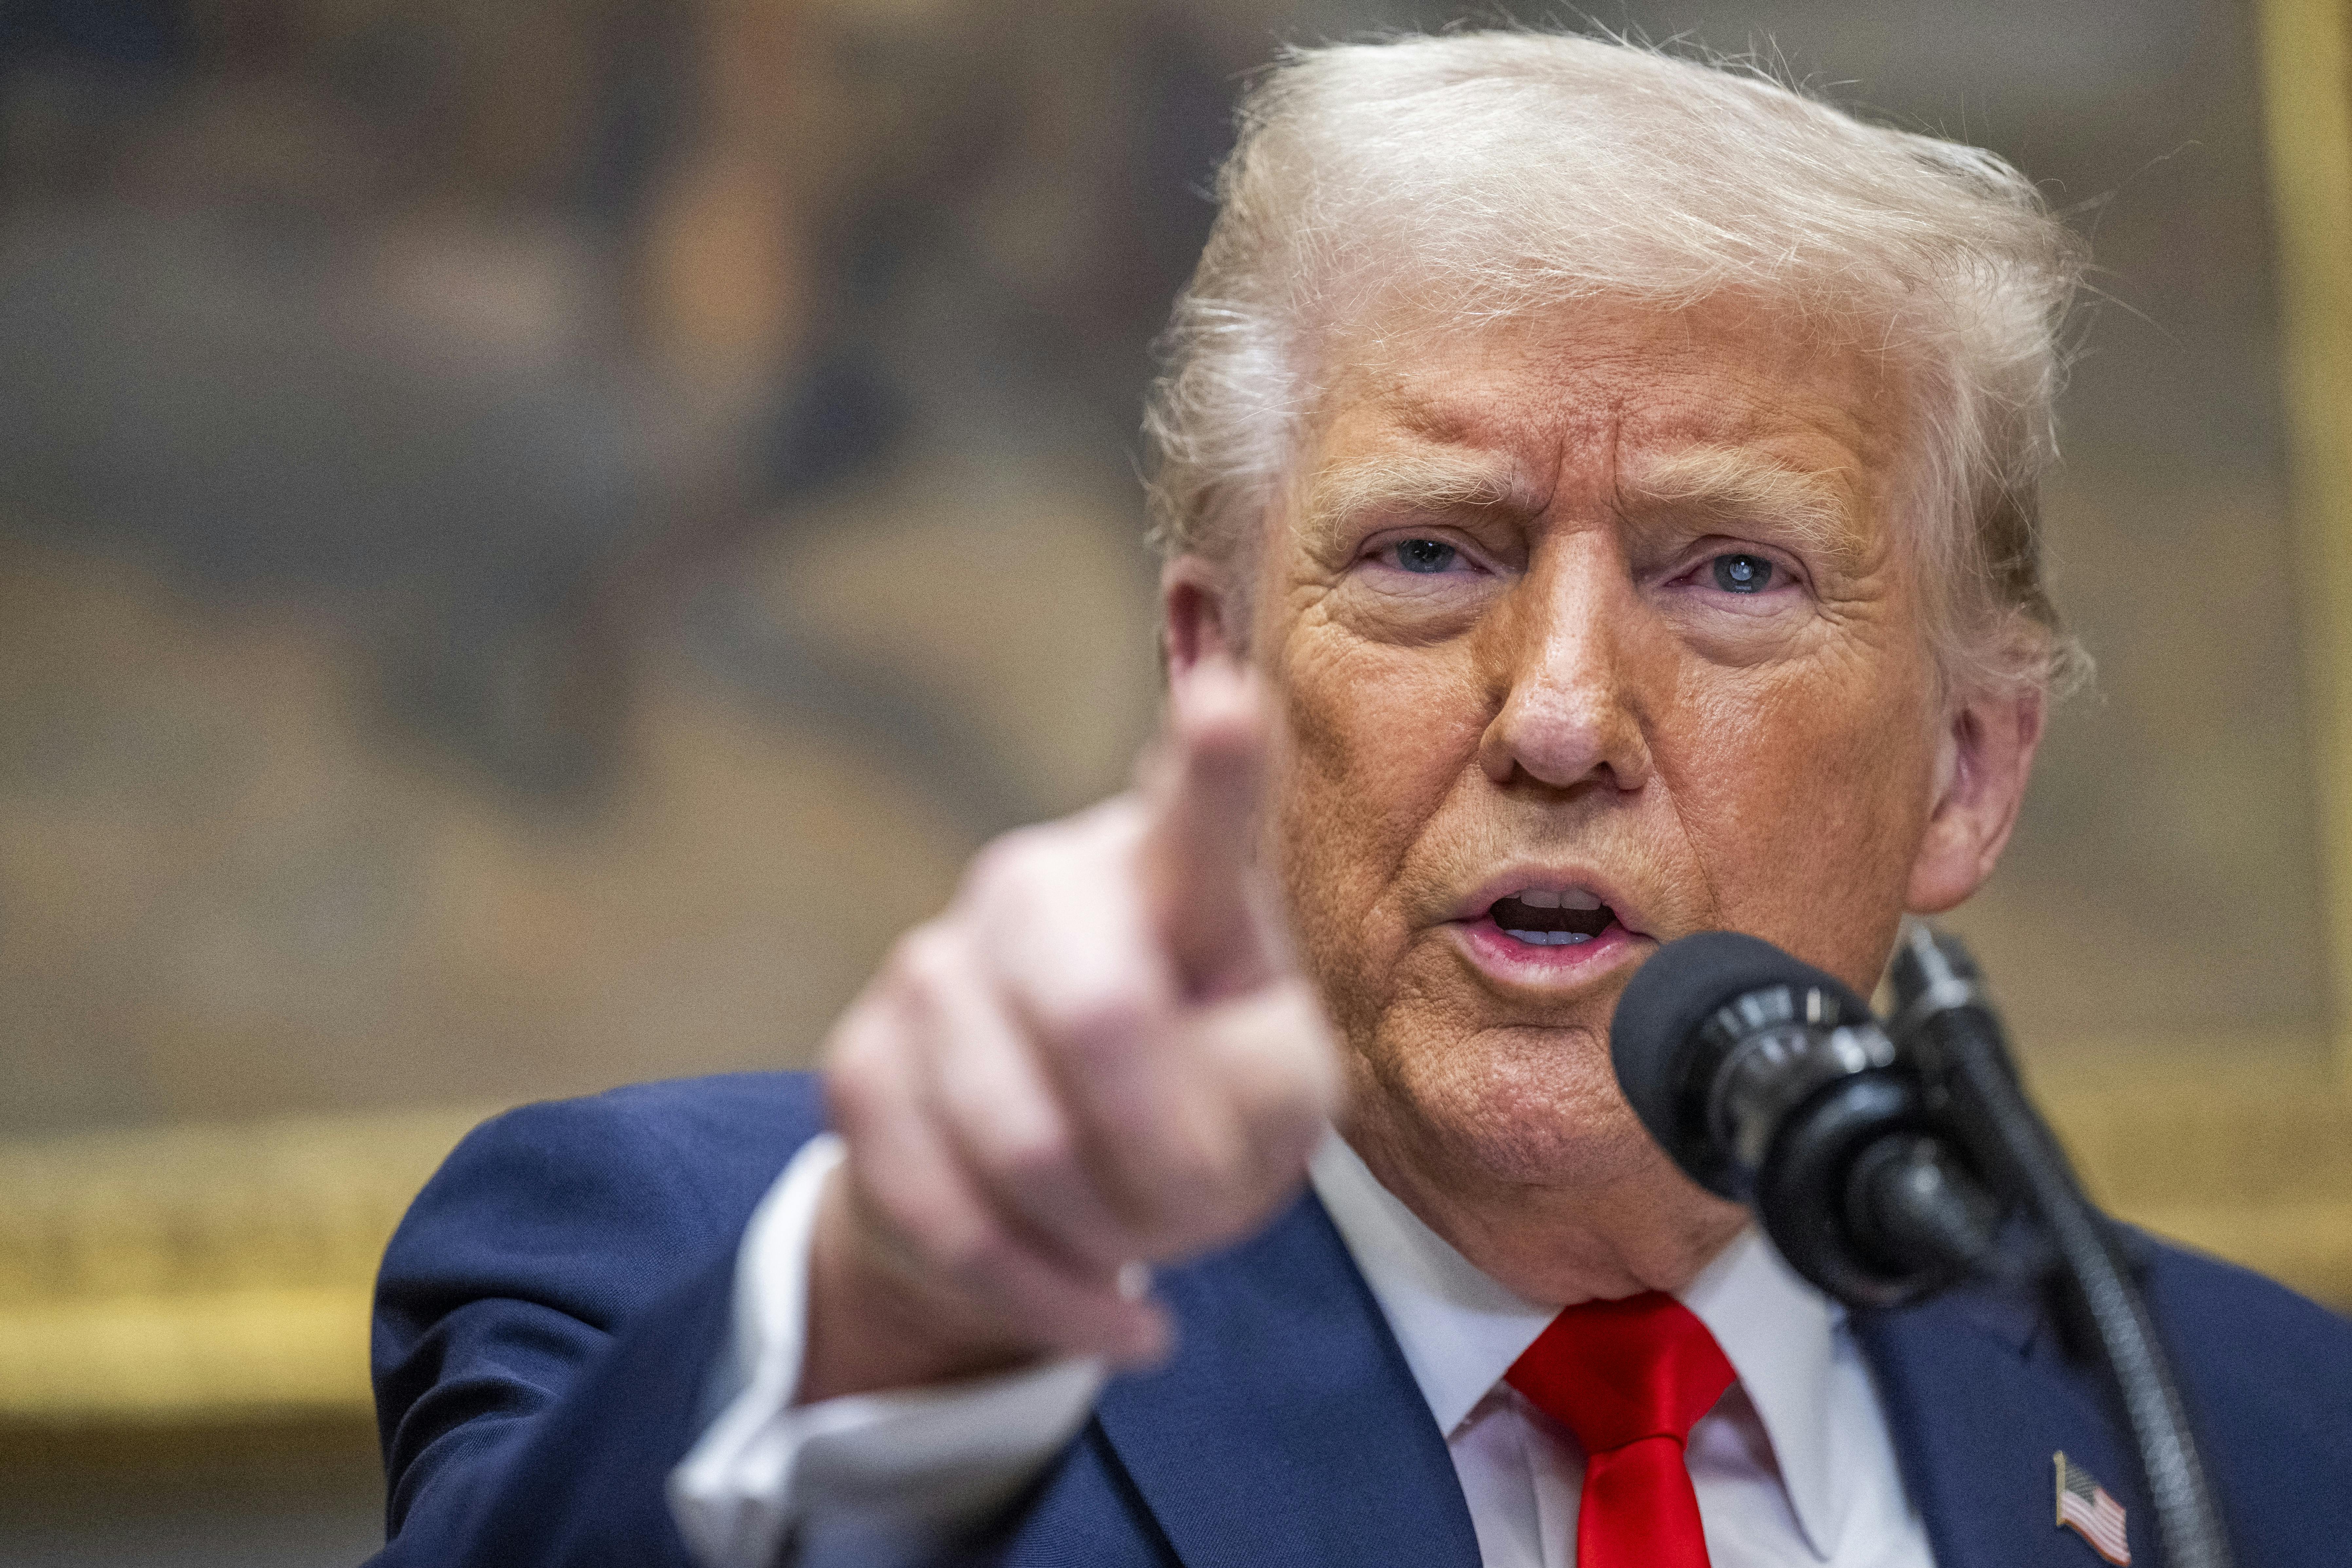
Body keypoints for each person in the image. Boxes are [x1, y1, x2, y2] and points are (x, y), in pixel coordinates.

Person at [368, 31, 2352, 1568]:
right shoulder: (718, 1284)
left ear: (1968, 769)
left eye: (1729, 572)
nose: (1560, 714)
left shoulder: (2271, 1434)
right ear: (1212, 668)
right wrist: (889, 1318)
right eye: (1429, 553)